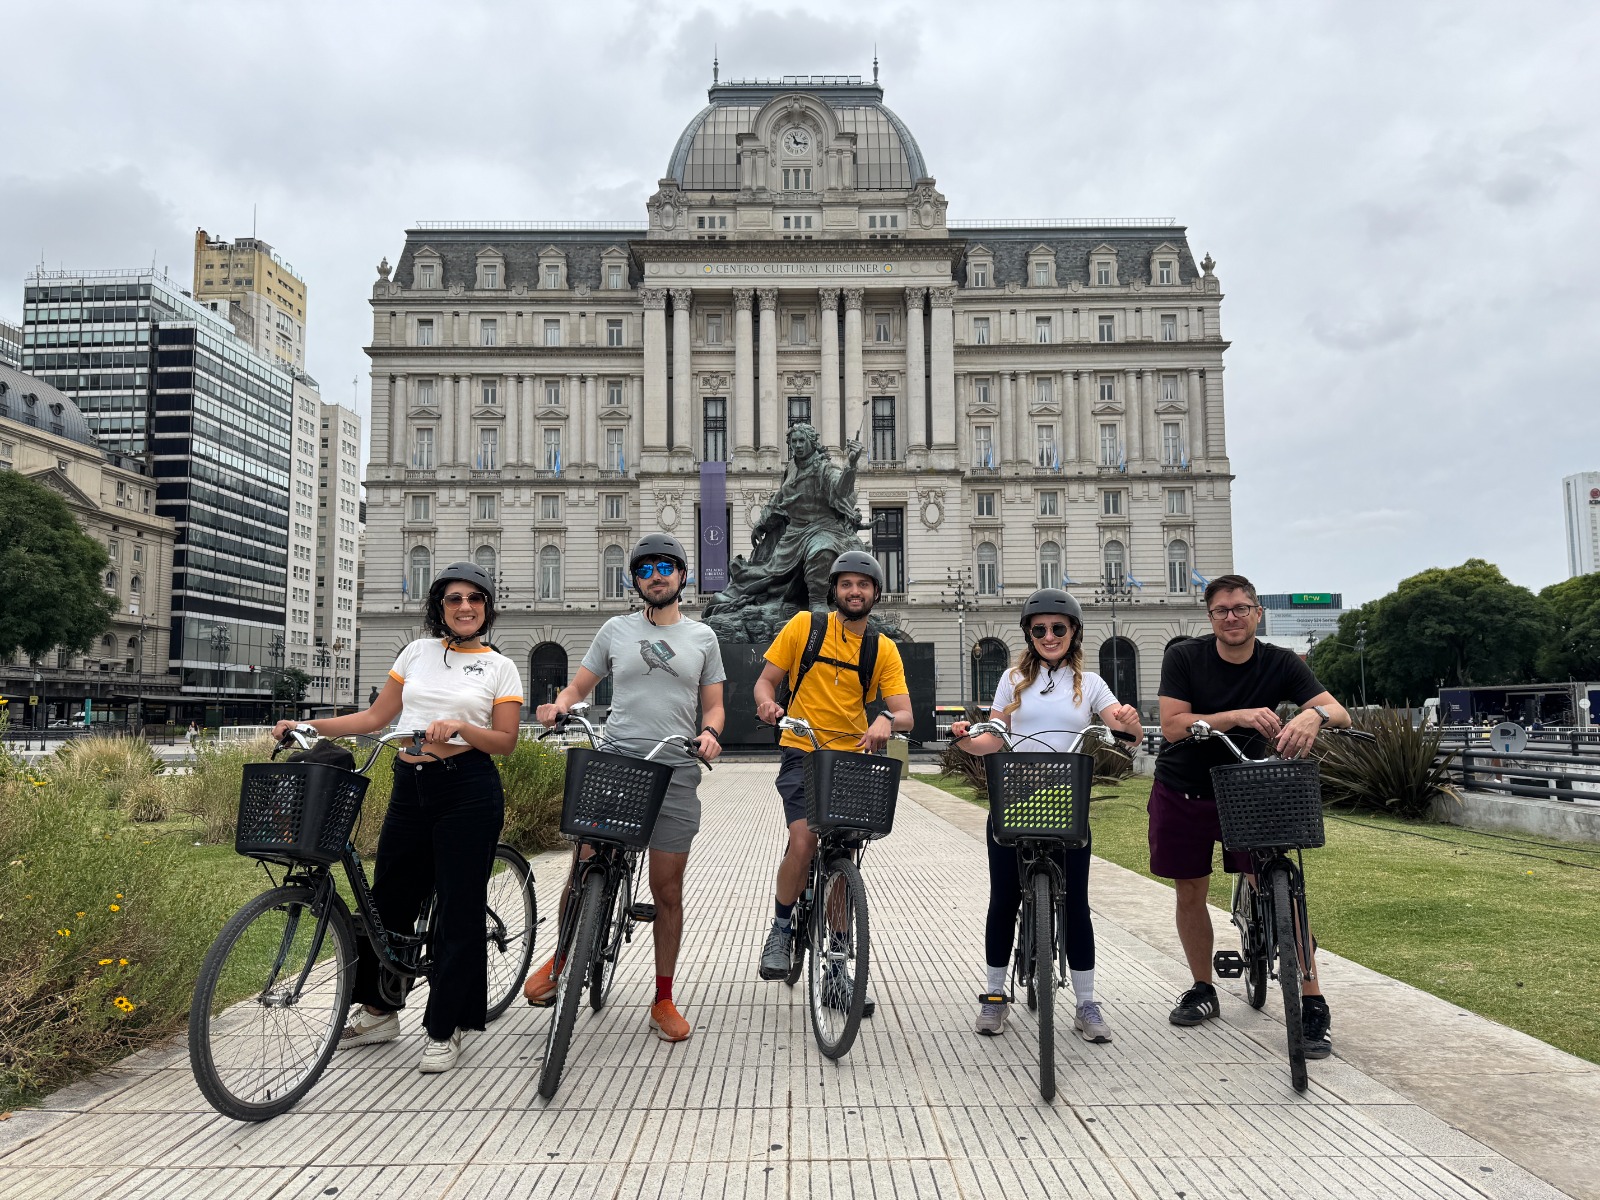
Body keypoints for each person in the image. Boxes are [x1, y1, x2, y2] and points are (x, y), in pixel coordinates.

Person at [271, 561, 521, 1073]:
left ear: (487, 607)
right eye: (454, 599)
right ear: (440, 608)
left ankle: (446, 1026)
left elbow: (505, 741)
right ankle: (380, 1011)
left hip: (467, 789)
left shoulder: (500, 667)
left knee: (458, 909)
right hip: (410, 784)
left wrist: (460, 727)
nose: (465, 607)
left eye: (475, 598)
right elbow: (375, 717)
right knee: (387, 901)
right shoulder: (415, 653)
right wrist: (309, 725)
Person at [520, 533, 725, 1043]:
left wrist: (710, 733)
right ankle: (561, 959)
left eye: (665, 567)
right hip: (616, 761)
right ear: (636, 580)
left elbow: (715, 706)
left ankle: (663, 998)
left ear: (682, 576)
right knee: (584, 863)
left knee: (667, 889)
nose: (656, 576)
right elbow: (579, 686)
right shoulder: (615, 629)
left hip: (675, 767)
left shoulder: (703, 637)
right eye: (646, 569)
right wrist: (558, 705)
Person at [1153, 573, 1350, 1057]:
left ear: (1257, 613)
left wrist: (1314, 715)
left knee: (1280, 885)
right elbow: (1173, 725)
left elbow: (1339, 711)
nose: (1232, 617)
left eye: (1241, 608)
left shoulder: (1280, 661)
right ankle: (1203, 987)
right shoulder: (1185, 657)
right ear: (1210, 618)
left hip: (1248, 788)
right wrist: (1238, 715)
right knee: (1190, 889)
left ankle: (1312, 999)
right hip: (1184, 786)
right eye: (1221, 610)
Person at [951, 588, 1143, 1041]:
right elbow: (994, 736)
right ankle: (994, 996)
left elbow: (1124, 731)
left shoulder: (1090, 683)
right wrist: (966, 739)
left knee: (1076, 903)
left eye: (1059, 628)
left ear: (1074, 631)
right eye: (1040, 629)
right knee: (1004, 898)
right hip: (1016, 795)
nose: (1049, 636)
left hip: (1066, 799)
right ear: (1029, 635)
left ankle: (1086, 1003)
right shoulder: (1012, 678)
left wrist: (1129, 722)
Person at [752, 549, 913, 1014]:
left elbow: (905, 712)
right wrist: (767, 704)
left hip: (850, 759)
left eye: (863, 585)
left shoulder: (882, 648)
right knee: (803, 840)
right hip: (802, 749)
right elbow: (766, 681)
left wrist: (886, 720)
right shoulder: (805, 626)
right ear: (835, 591)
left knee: (842, 859)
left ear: (875, 593)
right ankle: (781, 930)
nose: (854, 591)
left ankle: (837, 971)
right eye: (846, 584)